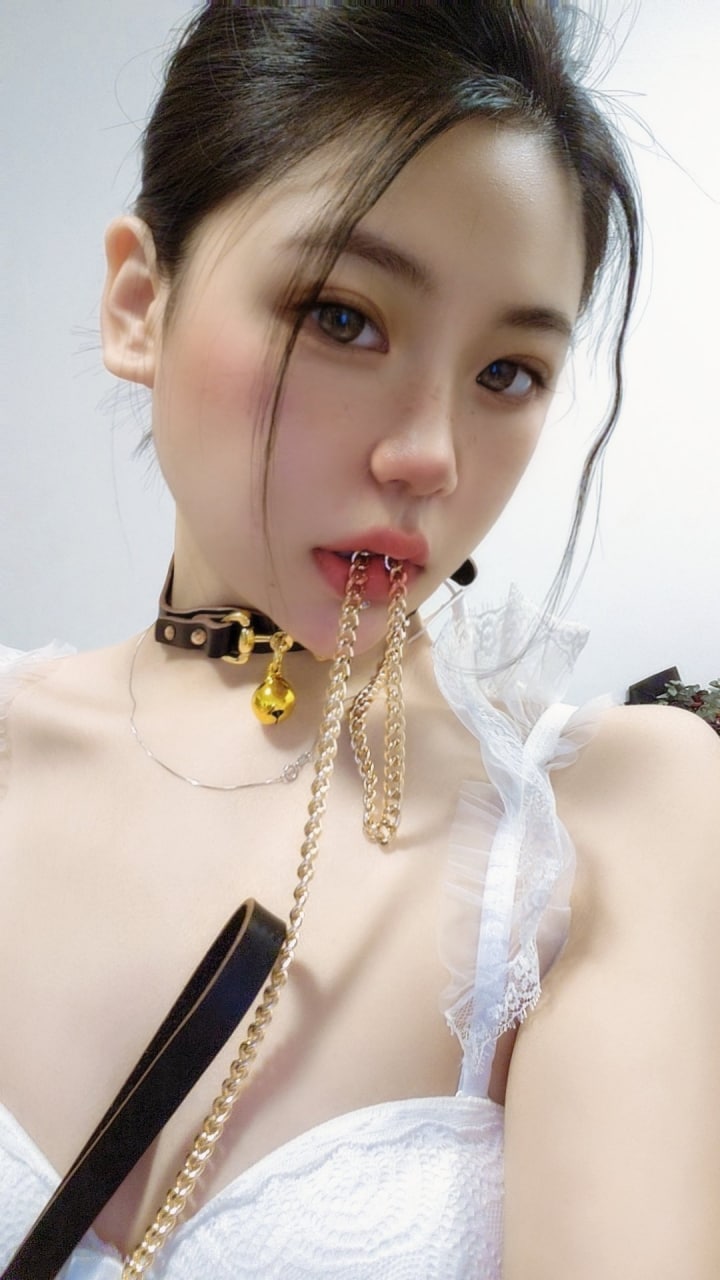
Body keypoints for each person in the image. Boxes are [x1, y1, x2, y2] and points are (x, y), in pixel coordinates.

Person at [1, 2, 719, 1277]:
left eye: (508, 373)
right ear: (138, 305)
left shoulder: (599, 824)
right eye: (343, 317)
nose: (429, 455)